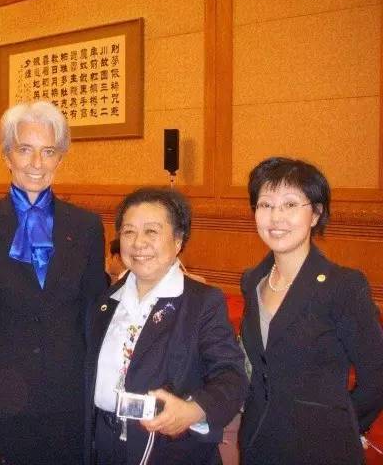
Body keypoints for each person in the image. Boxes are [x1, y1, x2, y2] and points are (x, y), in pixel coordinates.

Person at [0, 101, 106, 465]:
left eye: (48, 151)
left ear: (60, 158)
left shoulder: (86, 227)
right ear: (7, 155)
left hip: (69, 400)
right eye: (24, 150)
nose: (37, 163)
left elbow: (94, 320)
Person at [86, 188, 247, 465]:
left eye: (151, 231)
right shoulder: (105, 301)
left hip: (168, 450)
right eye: (128, 232)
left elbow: (231, 376)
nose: (138, 243)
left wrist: (193, 410)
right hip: (103, 445)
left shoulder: (201, 302)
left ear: (178, 240)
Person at [239, 157, 383, 465]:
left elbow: (377, 376)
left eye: (290, 204)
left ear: (315, 213)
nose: (276, 216)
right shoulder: (252, 281)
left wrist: (341, 425)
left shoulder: (343, 286)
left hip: (322, 449)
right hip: (258, 442)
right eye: (265, 204)